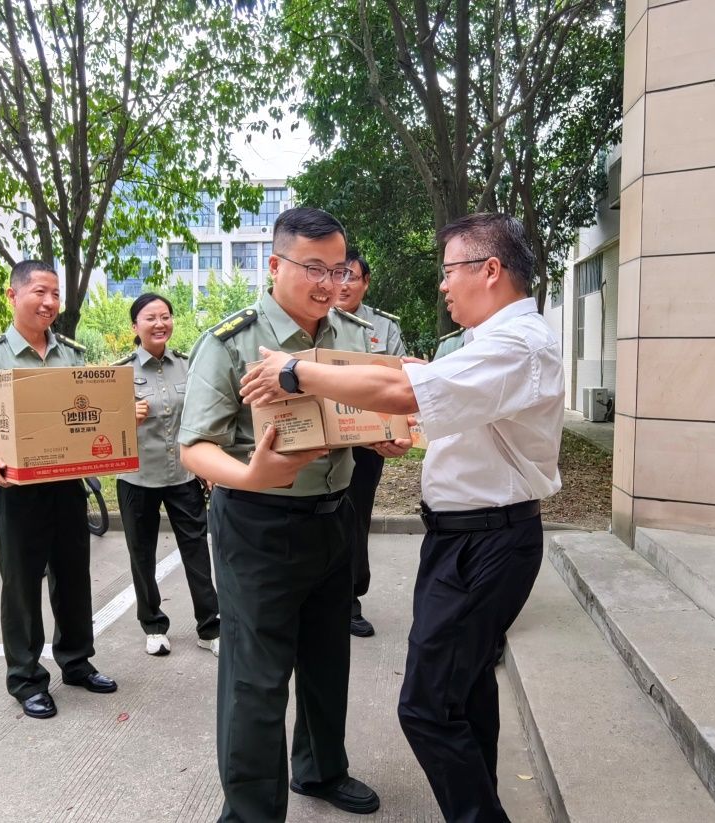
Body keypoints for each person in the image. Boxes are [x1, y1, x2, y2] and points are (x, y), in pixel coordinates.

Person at [240, 213, 563, 822]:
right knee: (466, 691)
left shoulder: (517, 344)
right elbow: (424, 388)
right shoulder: (493, 340)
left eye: (449, 270)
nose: (442, 284)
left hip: (485, 543)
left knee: (427, 707)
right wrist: (391, 424)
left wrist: (295, 370)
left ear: (490, 270)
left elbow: (405, 392)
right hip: (470, 538)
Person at [178, 207, 382, 822]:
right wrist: (251, 475)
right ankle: (250, 813)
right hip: (258, 522)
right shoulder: (231, 342)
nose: (328, 283)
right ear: (275, 265)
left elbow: (365, 414)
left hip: (334, 516)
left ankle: (319, 769)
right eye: (313, 268)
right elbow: (194, 446)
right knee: (256, 680)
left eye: (338, 270)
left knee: (327, 660)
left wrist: (386, 435)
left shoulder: (351, 336)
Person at [0, 260, 118, 720]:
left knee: (73, 577)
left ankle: (77, 662)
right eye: (40, 292)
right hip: (17, 489)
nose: (49, 302)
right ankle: (26, 679)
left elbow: (85, 414)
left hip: (66, 486)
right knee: (21, 585)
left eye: (55, 294)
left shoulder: (71, 354)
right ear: (13, 295)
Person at [112, 293, 220, 658]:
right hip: (137, 478)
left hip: (183, 476)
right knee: (141, 554)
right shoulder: (118, 373)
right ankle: (153, 626)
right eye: (150, 318)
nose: (160, 324)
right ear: (135, 326)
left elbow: (201, 420)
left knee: (197, 551)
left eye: (165, 316)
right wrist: (124, 416)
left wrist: (207, 464)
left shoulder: (188, 365)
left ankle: (210, 626)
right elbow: (101, 432)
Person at [335, 250, 407, 637]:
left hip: (366, 445)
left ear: (365, 282)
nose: (343, 283)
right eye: (337, 274)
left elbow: (397, 382)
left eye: (351, 276)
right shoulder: (313, 318)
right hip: (320, 443)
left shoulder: (383, 327)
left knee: (355, 518)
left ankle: (349, 600)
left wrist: (394, 432)